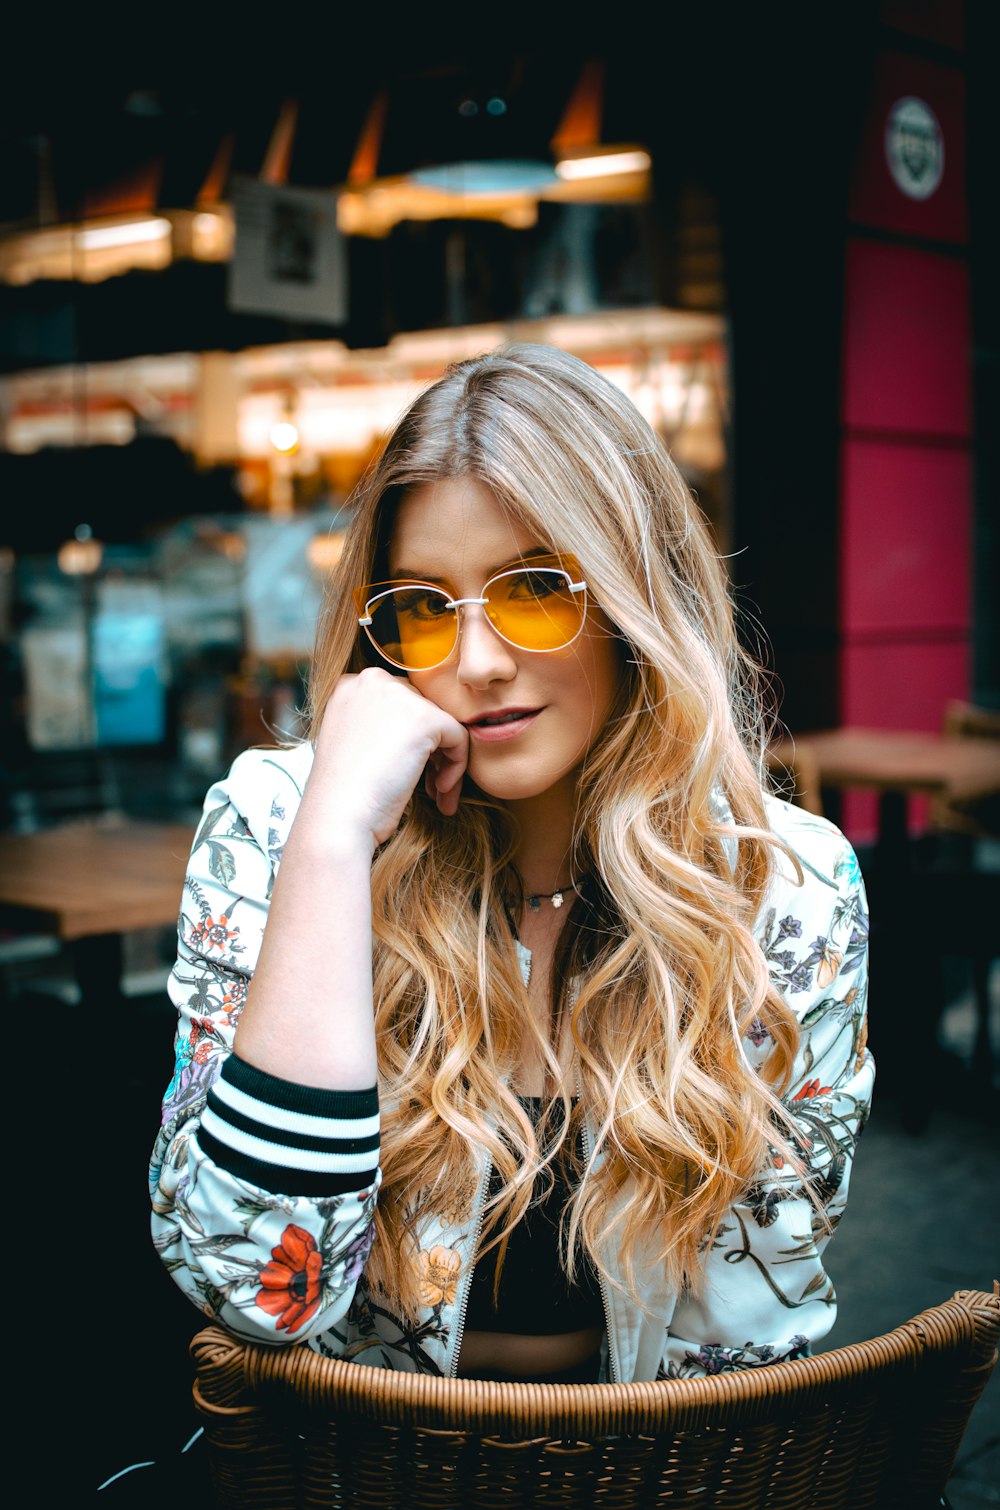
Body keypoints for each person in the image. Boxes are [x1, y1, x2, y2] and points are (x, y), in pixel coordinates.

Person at [150, 343, 872, 1385]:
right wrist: (331, 844)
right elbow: (254, 1286)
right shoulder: (281, 828)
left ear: (633, 598)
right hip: (353, 1474)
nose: (477, 662)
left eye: (533, 590)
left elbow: (743, 1343)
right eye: (422, 608)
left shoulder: (779, 887)